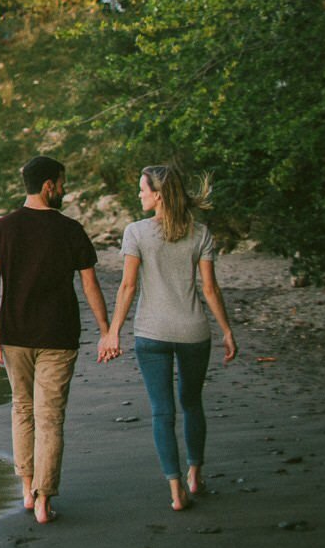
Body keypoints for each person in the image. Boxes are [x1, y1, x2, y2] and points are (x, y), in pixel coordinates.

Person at [99, 164, 238, 511]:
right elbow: (209, 288)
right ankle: (195, 474)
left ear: (158, 195)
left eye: (143, 189)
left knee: (163, 412)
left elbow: (128, 286)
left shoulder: (136, 232)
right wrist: (226, 330)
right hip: (194, 331)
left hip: (152, 333)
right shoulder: (201, 232)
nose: (139, 194)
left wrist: (113, 331)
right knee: (192, 403)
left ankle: (176, 490)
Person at [0, 154, 111, 524]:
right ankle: (43, 499)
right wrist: (105, 329)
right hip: (59, 333)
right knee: (49, 418)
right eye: (62, 182)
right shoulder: (70, 229)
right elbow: (90, 284)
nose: (64, 189)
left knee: (22, 408)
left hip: (14, 333)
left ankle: (27, 489)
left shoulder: (0, 229)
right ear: (49, 186)